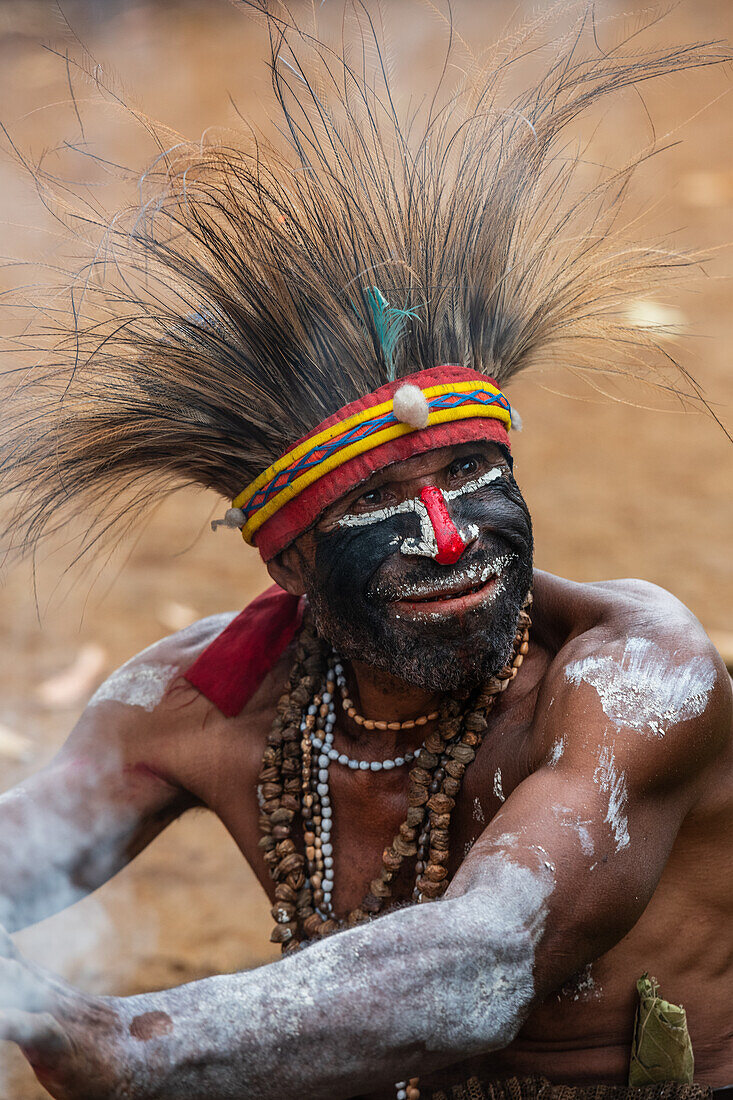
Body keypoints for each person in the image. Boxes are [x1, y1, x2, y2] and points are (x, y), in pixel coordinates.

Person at [0, 5, 730, 1099]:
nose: (450, 536)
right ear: (288, 566)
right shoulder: (197, 707)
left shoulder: (639, 675)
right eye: (383, 501)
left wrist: (126, 1040)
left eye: (474, 479)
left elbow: (472, 970)